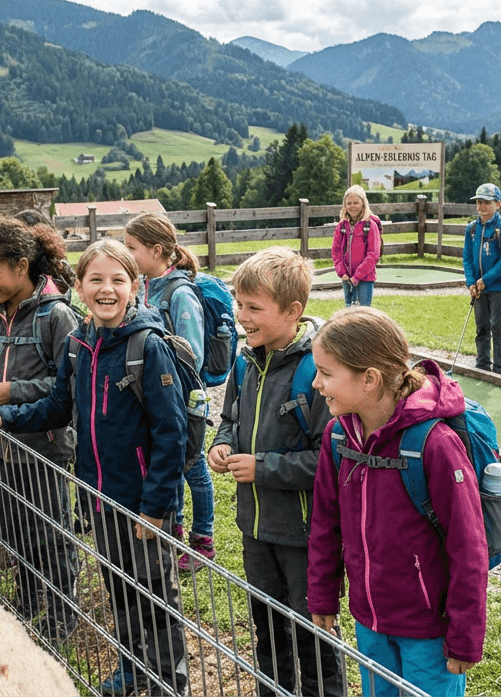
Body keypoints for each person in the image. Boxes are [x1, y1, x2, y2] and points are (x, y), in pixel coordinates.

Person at [0, 240, 189, 697]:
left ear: (135, 286)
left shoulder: (147, 347)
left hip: (144, 502)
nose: (107, 289)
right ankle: (132, 666)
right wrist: (6, 417)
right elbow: (58, 405)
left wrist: (155, 507)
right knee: (118, 585)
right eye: (96, 279)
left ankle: (170, 682)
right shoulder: (79, 344)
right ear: (79, 284)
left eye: (118, 280)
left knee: (154, 592)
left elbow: (172, 434)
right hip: (98, 494)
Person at [306, 306, 488, 697]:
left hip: (428, 630)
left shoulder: (436, 445)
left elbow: (468, 547)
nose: (316, 383)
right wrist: (322, 594)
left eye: (325, 372)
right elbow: (325, 522)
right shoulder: (338, 437)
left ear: (369, 379)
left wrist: (465, 635)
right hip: (369, 621)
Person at [207, 246, 344, 697]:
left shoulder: (317, 372)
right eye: (239, 304)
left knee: (313, 634)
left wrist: (262, 467)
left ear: (292, 311)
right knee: (266, 627)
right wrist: (223, 443)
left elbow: (328, 460)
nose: (241, 317)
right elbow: (230, 418)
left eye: (253, 308)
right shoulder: (245, 360)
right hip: (255, 528)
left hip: (302, 536)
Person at [0, 218, 81, 643]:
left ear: (21, 265)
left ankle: (62, 611)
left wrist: (14, 391)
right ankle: (27, 599)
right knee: (13, 527)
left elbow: (67, 386)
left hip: (44, 445)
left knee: (50, 530)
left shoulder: (56, 315)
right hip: (0, 444)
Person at [123, 212, 217, 571]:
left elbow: (192, 353)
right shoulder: (146, 286)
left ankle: (203, 540)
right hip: (158, 397)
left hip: (184, 397)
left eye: (132, 247)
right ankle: (173, 530)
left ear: (156, 250)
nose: (127, 254)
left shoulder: (180, 293)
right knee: (168, 463)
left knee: (194, 468)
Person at [462, 183, 501, 375]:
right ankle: (483, 363)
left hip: (498, 287)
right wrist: (471, 282)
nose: (482, 206)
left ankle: (500, 367)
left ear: (498, 204)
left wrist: (486, 279)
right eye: (479, 202)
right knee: (482, 327)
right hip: (479, 288)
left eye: (487, 202)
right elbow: (467, 257)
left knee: (499, 327)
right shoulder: (472, 228)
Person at [331, 185, 381, 307]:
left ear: (363, 203)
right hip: (347, 277)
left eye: (356, 203)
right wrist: (341, 272)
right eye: (349, 203)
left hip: (365, 278)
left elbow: (373, 254)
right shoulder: (341, 226)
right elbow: (336, 251)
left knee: (363, 312)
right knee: (349, 311)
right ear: (345, 205)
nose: (352, 206)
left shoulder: (370, 226)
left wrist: (357, 276)